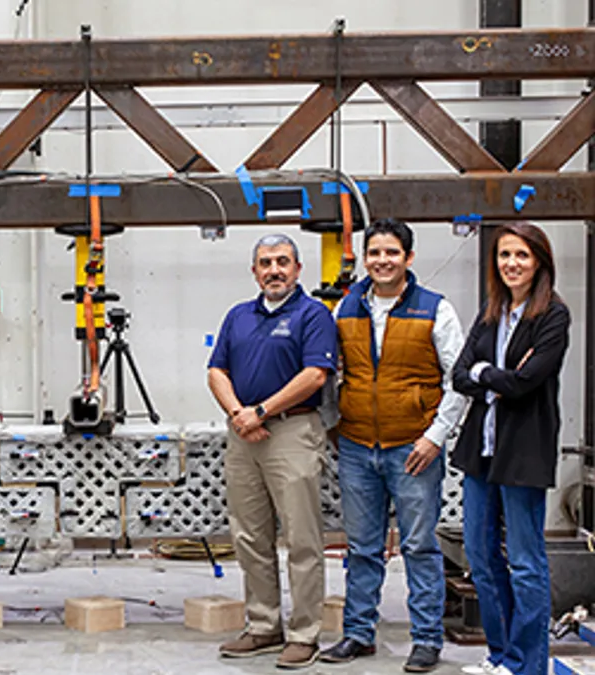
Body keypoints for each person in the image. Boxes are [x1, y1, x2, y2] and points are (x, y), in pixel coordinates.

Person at [322, 219, 466, 673]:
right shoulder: (345, 309)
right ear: (365, 258)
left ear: (408, 257)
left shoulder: (435, 310)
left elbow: (458, 380)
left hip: (414, 449)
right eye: (374, 253)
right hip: (357, 447)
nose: (382, 261)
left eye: (392, 253)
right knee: (362, 548)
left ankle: (426, 639)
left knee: (420, 546)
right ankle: (358, 633)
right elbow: (327, 373)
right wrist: (334, 429)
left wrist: (433, 437)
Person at [208, 233, 336, 670]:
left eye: (283, 262)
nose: (274, 270)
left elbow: (316, 375)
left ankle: (304, 634)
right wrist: (239, 414)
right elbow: (216, 370)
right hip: (243, 436)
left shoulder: (313, 314)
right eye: (265, 263)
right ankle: (263, 626)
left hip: (292, 432)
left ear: (298, 269)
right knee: (249, 536)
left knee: (302, 538)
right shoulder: (238, 316)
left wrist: (261, 411)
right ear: (255, 271)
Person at [452, 222, 569, 675]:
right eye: (504, 255)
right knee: (480, 557)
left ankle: (529, 665)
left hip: (523, 452)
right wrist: (489, 377)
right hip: (481, 452)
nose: (511, 264)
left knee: (524, 563)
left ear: (538, 260)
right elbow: (459, 375)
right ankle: (499, 655)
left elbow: (525, 383)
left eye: (521, 255)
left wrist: (485, 374)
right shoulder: (490, 312)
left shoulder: (553, 316)